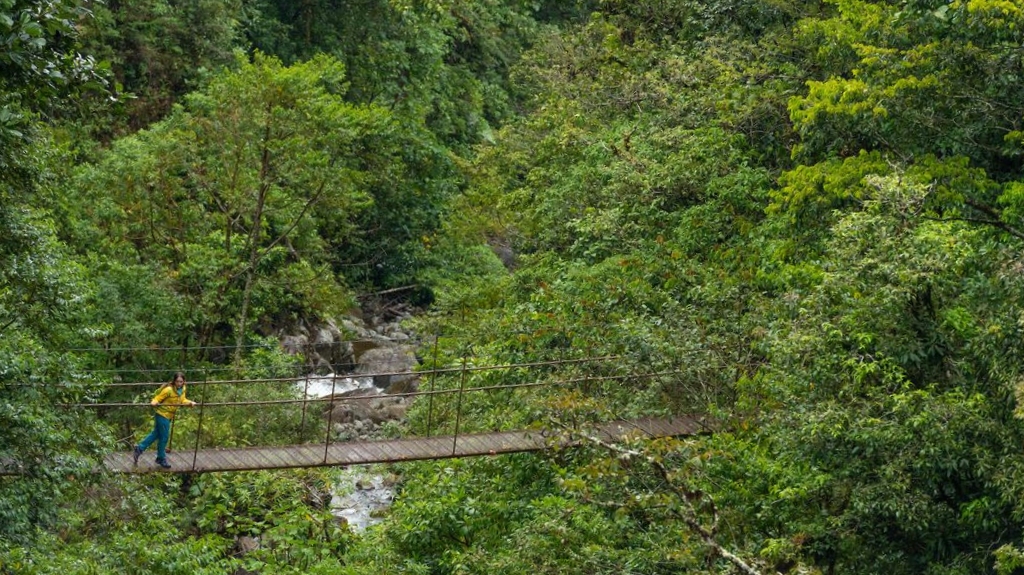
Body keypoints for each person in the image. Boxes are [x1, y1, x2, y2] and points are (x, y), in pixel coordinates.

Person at [133, 371, 197, 469]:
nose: (179, 383)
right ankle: (161, 458)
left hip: (169, 415)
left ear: (184, 382)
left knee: (156, 434)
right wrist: (154, 402)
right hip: (162, 414)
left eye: (181, 381)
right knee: (164, 437)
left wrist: (190, 403)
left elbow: (182, 400)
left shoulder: (182, 389)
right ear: (174, 381)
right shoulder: (168, 390)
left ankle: (139, 448)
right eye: (177, 381)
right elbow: (157, 398)